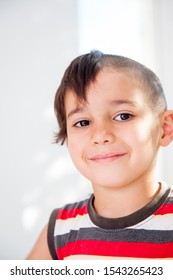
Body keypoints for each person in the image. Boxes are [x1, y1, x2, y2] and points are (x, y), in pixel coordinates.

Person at [27, 50, 173, 260]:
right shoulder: (59, 230)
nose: (101, 135)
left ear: (164, 128)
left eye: (123, 116)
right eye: (83, 123)